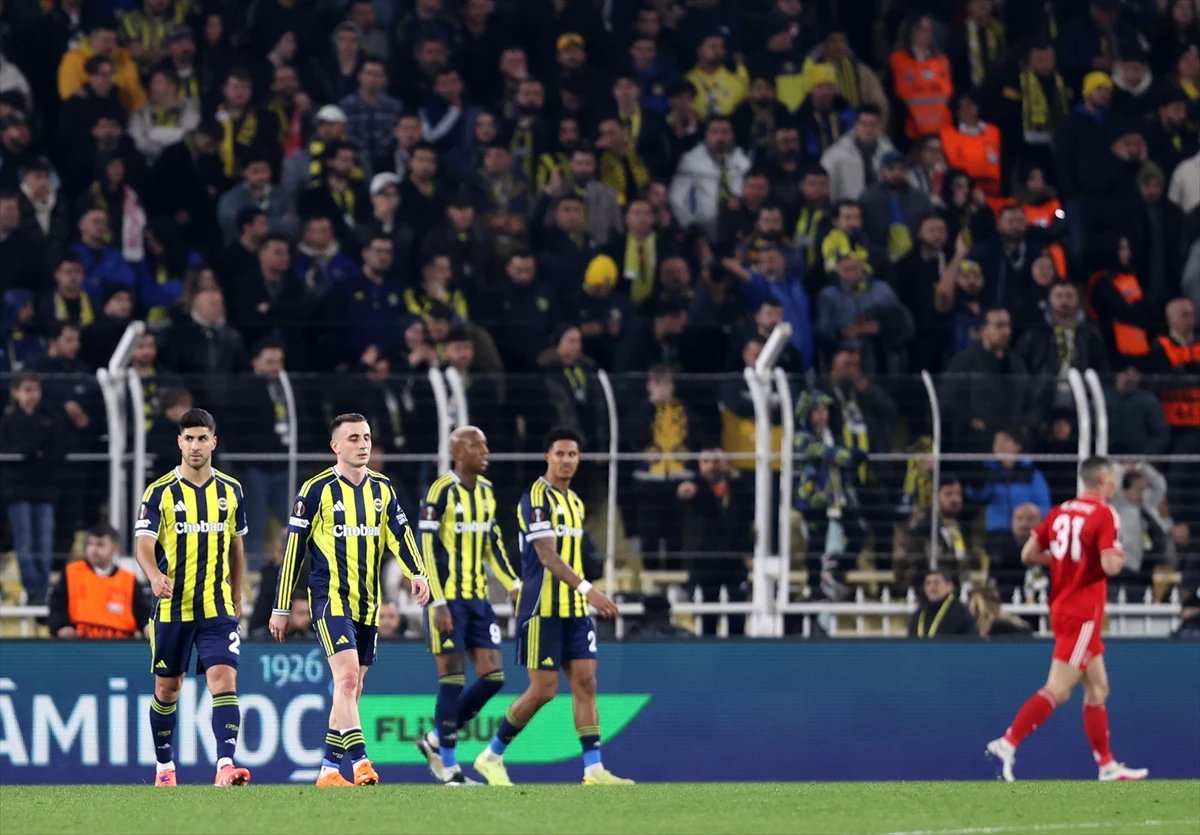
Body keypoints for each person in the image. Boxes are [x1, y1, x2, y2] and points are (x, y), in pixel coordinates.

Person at [268, 413, 432, 787]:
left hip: (368, 603)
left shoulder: (383, 488)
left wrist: (417, 572)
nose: (363, 444)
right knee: (345, 679)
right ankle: (360, 762)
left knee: (353, 689)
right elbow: (293, 551)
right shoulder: (315, 490)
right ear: (335, 446)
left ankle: (328, 770)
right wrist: (281, 606)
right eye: (354, 438)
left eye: (367, 437)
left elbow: (401, 534)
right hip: (330, 600)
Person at [473, 427, 632, 787]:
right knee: (544, 690)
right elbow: (546, 556)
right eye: (559, 454)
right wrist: (589, 590)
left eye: (572, 454)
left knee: (586, 682)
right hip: (541, 609)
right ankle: (491, 756)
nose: (566, 460)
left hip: (574, 610)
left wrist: (583, 593)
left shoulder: (574, 502)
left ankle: (593, 769)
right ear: (548, 457)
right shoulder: (535, 498)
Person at [986, 456, 1149, 783]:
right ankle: (1008, 742)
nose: (1115, 485)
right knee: (1058, 690)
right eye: (1113, 479)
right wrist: (1118, 553)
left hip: (1063, 606)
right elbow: (1111, 566)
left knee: (1098, 689)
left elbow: (1028, 554)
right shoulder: (1104, 513)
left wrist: (1065, 562)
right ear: (1102, 480)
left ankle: (1107, 765)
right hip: (1083, 611)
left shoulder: (1060, 511)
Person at [134, 408, 251, 788]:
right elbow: (143, 544)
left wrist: (237, 594)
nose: (196, 445)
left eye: (202, 438)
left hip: (216, 606)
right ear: (179, 443)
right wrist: (154, 576)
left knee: (224, 680)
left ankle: (225, 765)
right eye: (189, 439)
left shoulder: (231, 490)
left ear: (213, 441)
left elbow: (236, 547)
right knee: (167, 689)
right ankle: (164, 767)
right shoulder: (160, 492)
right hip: (173, 607)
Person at [413, 426, 520, 785]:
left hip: (478, 600)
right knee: (453, 680)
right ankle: (450, 769)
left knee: (494, 678)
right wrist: (437, 601)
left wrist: (513, 584)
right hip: (447, 600)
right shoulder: (440, 490)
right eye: (477, 445)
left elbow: (494, 545)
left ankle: (433, 740)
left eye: (486, 444)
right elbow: (425, 547)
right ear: (458, 452)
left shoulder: (487, 492)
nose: (485, 450)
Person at [0, 371, 63, 605]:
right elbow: (9, 450)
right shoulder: (8, 420)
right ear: (15, 392)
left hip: (43, 491)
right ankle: (34, 589)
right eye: (27, 390)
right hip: (17, 492)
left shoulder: (51, 418)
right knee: (24, 542)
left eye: (35, 390)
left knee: (44, 543)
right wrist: (33, 452)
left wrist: (27, 453)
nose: (32, 395)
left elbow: (57, 448)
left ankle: (43, 589)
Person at [48, 522, 150, 639]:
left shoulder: (129, 580)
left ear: (114, 548)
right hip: (79, 642)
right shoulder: (72, 573)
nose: (93, 549)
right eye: (90, 544)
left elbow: (143, 614)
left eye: (100, 545)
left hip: (120, 644)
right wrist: (61, 627)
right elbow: (57, 606)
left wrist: (148, 628)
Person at [908, 568, 978, 639]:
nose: (932, 587)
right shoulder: (918, 615)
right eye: (928, 583)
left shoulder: (961, 614)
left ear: (950, 586)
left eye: (937, 582)